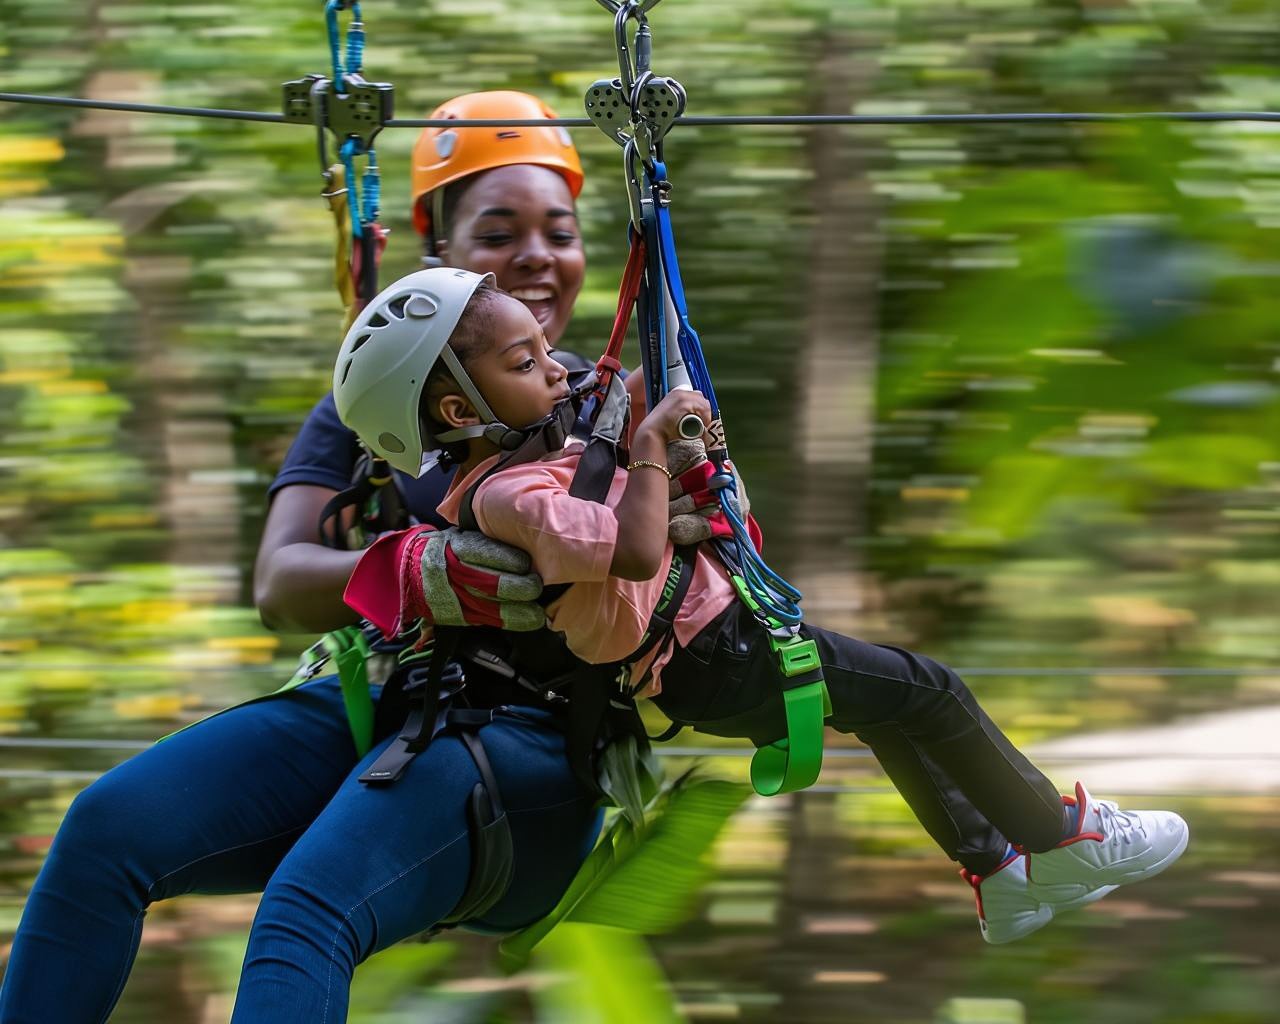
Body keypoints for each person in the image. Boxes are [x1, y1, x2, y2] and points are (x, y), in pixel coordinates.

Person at [337, 268, 1192, 951]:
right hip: (714, 655)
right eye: (524, 364)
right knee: (930, 691)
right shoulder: (510, 495)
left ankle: (998, 872)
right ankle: (1060, 836)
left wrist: (660, 359)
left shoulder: (547, 457)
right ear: (461, 412)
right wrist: (648, 445)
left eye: (542, 349)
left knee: (891, 714)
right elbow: (630, 551)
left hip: (717, 645)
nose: (555, 368)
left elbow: (627, 458)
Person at [0, 92, 604, 1024]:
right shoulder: (377, 400)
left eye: (558, 233)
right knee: (104, 830)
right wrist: (422, 571)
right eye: (498, 233)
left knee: (304, 917)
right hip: (386, 706)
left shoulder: (615, 409)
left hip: (532, 746)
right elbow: (281, 584)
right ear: (439, 252)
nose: (535, 256)